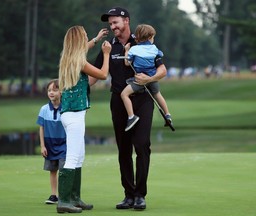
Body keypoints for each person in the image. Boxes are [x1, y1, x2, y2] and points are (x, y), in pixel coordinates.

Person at [93, 7, 167, 211]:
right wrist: (76, 88)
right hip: (118, 102)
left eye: (115, 22)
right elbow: (96, 74)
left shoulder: (143, 41)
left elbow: (161, 69)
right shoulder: (109, 47)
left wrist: (150, 78)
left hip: (142, 100)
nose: (112, 26)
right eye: (110, 24)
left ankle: (140, 195)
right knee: (123, 149)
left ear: (126, 21)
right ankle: (128, 194)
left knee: (142, 145)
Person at [57, 25, 111, 213]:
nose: (87, 38)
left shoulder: (69, 57)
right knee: (72, 157)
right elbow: (103, 75)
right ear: (79, 40)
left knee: (79, 156)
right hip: (74, 115)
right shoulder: (78, 61)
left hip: (71, 114)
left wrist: (96, 39)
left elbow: (82, 49)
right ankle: (63, 201)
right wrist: (106, 54)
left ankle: (74, 197)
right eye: (85, 36)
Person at [121, 24, 172, 131]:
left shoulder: (134, 49)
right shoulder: (154, 49)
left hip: (139, 80)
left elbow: (127, 62)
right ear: (149, 38)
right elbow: (158, 58)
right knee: (157, 94)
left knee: (124, 94)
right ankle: (167, 114)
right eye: (153, 37)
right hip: (153, 78)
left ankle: (131, 117)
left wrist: (126, 50)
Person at [36, 79, 67, 204]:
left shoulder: (66, 107)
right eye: (49, 90)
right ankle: (54, 195)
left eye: (55, 90)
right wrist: (42, 146)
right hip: (49, 145)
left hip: (64, 144)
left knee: (64, 170)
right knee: (53, 170)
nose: (51, 93)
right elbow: (41, 128)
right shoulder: (44, 109)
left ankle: (64, 196)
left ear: (61, 91)